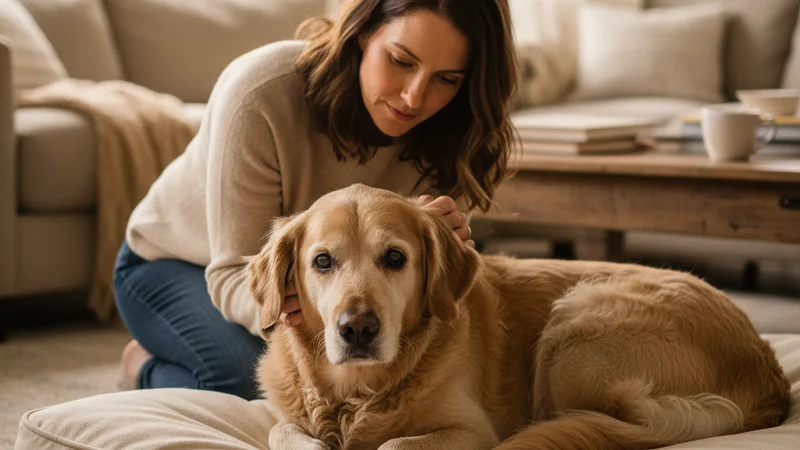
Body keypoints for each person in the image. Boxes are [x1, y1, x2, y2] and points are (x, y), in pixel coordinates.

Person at [114, 0, 519, 401]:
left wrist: (442, 251)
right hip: (173, 265)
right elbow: (231, 274)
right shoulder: (260, 93)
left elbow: (425, 297)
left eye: (446, 79)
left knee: (382, 373)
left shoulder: (454, 130)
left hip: (314, 284)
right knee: (251, 381)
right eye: (401, 60)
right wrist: (309, 310)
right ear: (363, 30)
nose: (414, 97)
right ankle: (142, 367)